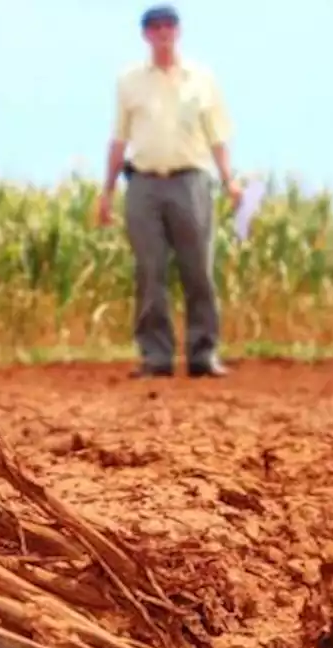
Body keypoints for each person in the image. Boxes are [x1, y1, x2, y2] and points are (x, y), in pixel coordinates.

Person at [98, 4, 241, 379]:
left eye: (169, 27)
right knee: (150, 270)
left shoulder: (201, 79)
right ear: (146, 35)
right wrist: (106, 191)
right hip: (143, 183)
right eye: (155, 28)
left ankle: (203, 353)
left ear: (177, 31)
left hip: (191, 181)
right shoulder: (129, 81)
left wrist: (230, 179)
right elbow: (118, 138)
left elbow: (218, 135)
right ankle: (156, 356)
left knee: (199, 269)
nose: (163, 34)